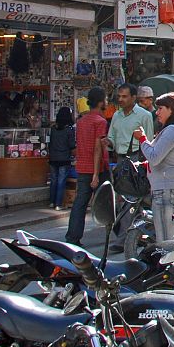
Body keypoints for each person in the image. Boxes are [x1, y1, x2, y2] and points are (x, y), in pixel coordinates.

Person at [140, 92, 174, 244]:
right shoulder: (171, 130)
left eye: (161, 108)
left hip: (166, 191)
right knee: (167, 236)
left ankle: (171, 265)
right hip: (165, 188)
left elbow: (154, 157)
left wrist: (142, 139)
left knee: (166, 240)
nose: (157, 112)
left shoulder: (173, 131)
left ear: (171, 110)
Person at [65, 87, 109, 246]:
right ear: (100, 102)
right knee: (106, 202)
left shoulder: (81, 122)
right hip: (98, 168)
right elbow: (97, 148)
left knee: (80, 203)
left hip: (82, 167)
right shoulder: (100, 121)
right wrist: (96, 174)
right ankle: (112, 234)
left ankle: (72, 237)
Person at [107, 83, 154, 159]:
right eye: (119, 96)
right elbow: (111, 138)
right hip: (119, 158)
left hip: (136, 158)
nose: (120, 99)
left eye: (124, 96)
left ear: (133, 98)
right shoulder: (116, 115)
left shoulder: (145, 115)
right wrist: (107, 142)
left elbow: (149, 142)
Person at [47, 106, 76, 210]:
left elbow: (50, 143)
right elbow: (72, 145)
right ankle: (58, 204)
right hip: (64, 158)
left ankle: (52, 201)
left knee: (53, 180)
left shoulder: (53, 129)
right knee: (61, 181)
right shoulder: (69, 130)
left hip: (53, 158)